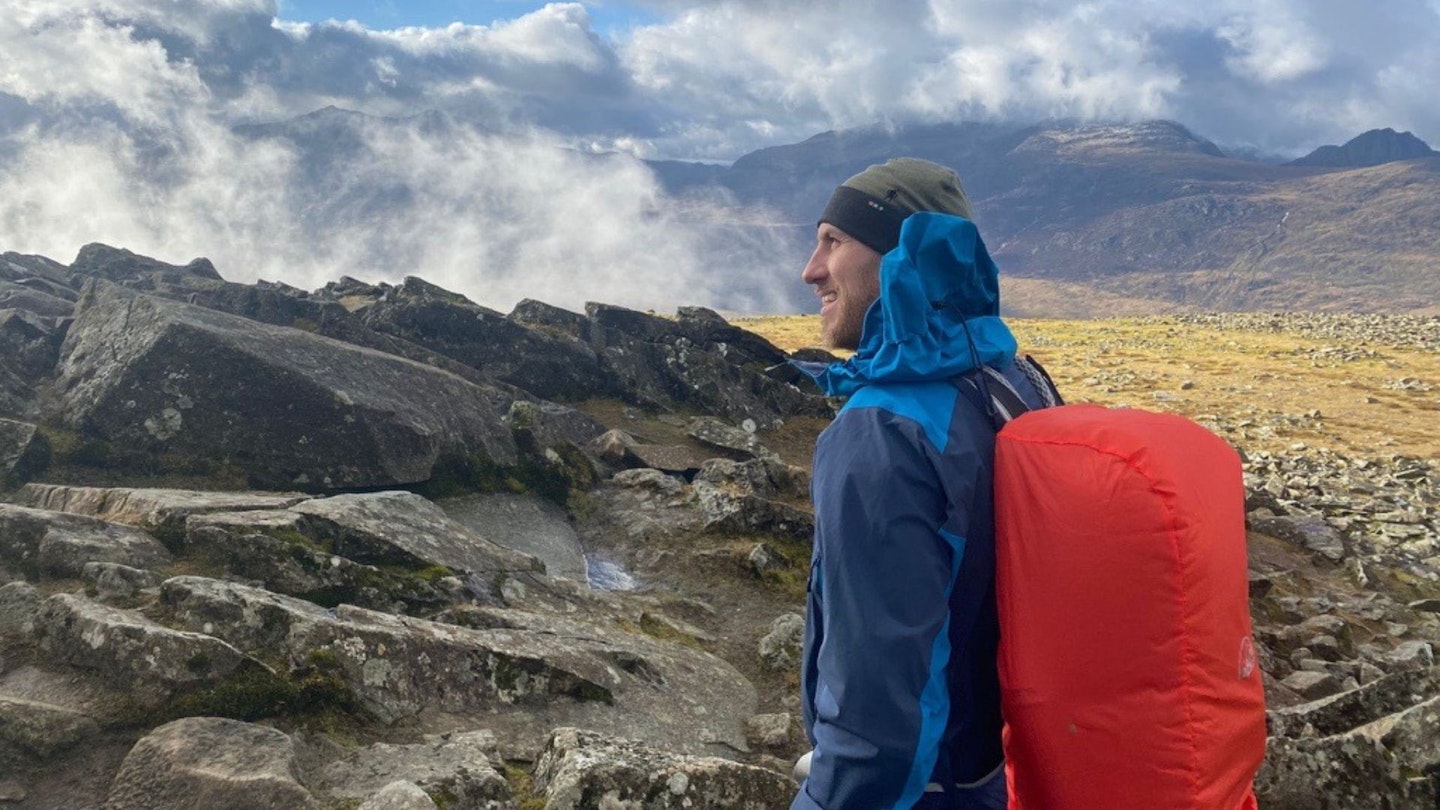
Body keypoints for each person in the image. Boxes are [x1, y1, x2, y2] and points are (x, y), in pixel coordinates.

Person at [791, 158, 1057, 810]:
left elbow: (877, 725)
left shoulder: (883, 434)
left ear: (902, 256)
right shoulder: (1015, 385)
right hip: (995, 773)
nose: (811, 270)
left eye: (834, 241)